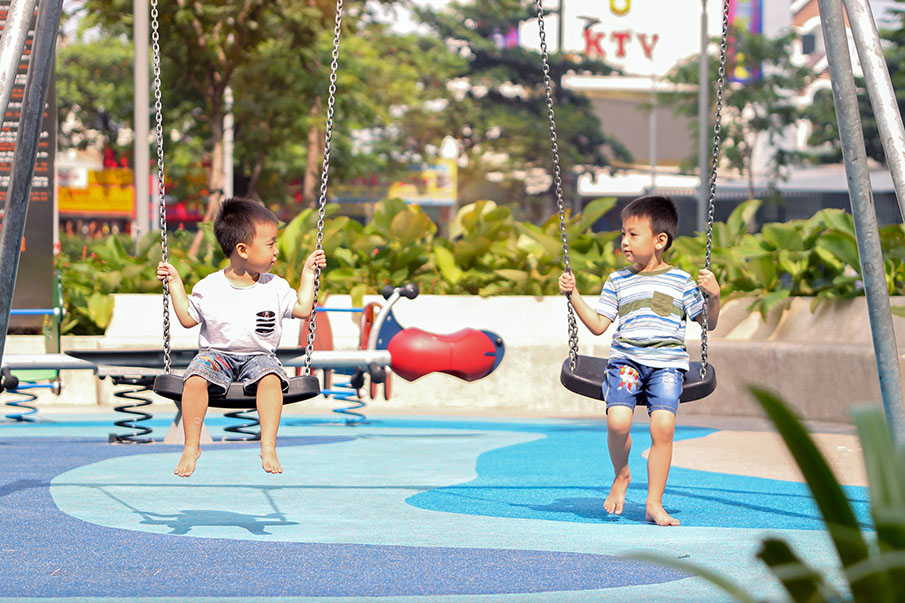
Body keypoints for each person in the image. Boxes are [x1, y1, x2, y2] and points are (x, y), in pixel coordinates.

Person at [558, 195, 720, 526]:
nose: (624, 242)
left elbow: (708, 322)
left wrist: (714, 296)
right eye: (623, 234)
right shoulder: (618, 280)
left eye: (633, 234)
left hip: (667, 365)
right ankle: (622, 475)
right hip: (626, 362)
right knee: (617, 422)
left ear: (660, 240)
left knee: (663, 427)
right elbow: (600, 325)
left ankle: (654, 503)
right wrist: (573, 295)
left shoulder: (682, 282)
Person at [157, 197, 327, 478]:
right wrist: (175, 284)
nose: (276, 251)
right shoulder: (209, 286)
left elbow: (302, 309)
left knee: (272, 379)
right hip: (216, 356)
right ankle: (191, 446)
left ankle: (268, 445)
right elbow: (188, 319)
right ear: (243, 250)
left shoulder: (275, 286)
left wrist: (309, 274)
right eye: (270, 243)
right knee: (195, 380)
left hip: (259, 357)